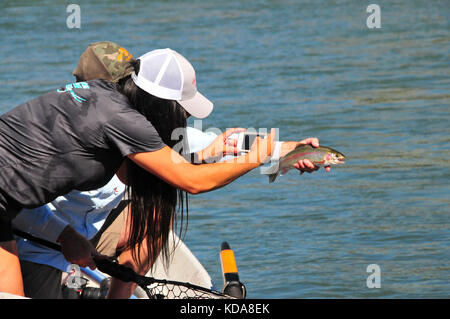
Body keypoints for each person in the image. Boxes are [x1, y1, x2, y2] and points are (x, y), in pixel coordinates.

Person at [0, 45, 328, 296]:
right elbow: (191, 181)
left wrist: (289, 150)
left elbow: (213, 142)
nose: (183, 116)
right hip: (28, 228)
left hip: (30, 216)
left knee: (156, 211)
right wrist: (254, 160)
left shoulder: (112, 104)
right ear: (161, 103)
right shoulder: (122, 120)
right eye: (180, 108)